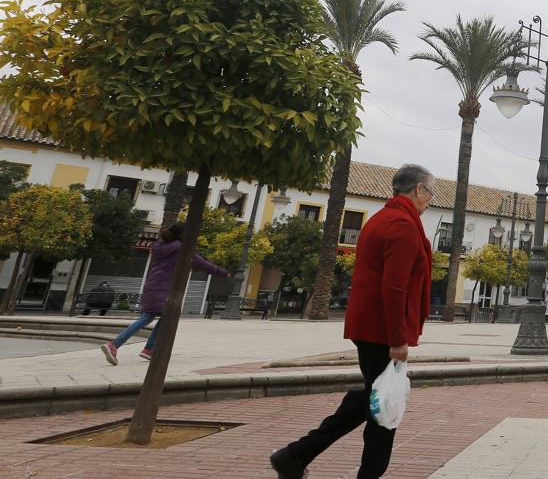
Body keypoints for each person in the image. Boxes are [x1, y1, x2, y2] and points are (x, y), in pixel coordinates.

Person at [271, 164, 435, 479]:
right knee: (383, 412)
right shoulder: (401, 225)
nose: (429, 199)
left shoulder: (381, 219)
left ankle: (294, 456)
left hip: (371, 327)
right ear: (418, 189)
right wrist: (398, 338)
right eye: (430, 192)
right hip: (382, 331)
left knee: (369, 400)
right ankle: (297, 457)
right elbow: (395, 285)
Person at [99, 223, 231, 365]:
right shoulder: (182, 249)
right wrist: (223, 272)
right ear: (183, 235)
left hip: (152, 285)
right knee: (162, 317)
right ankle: (117, 345)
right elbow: (202, 264)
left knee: (154, 317)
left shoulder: (159, 247)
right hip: (165, 289)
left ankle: (147, 348)